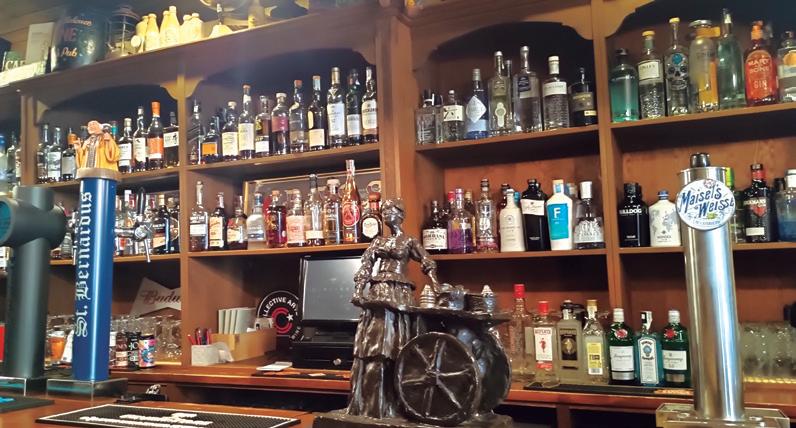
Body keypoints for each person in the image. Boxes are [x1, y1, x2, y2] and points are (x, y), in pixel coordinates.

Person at [347, 198, 440, 419]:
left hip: (399, 292)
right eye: (384, 210)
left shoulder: (408, 241)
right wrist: (359, 290)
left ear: (401, 214)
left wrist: (436, 285)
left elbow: (427, 262)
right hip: (379, 291)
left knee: (398, 340)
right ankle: (373, 403)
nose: (386, 213)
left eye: (391, 209)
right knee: (376, 340)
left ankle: (399, 399)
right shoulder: (378, 241)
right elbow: (366, 266)